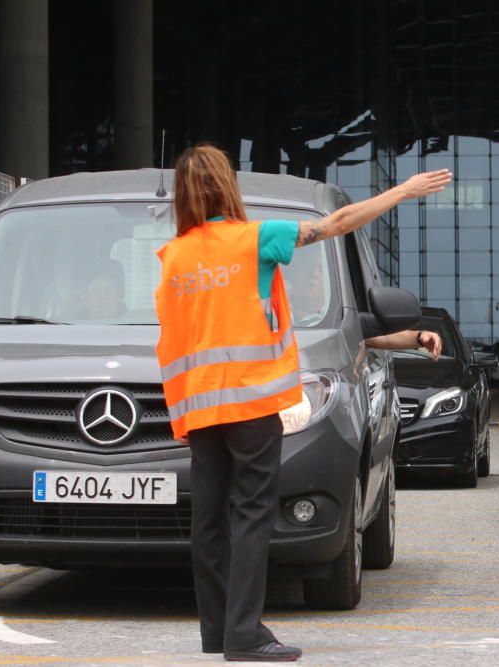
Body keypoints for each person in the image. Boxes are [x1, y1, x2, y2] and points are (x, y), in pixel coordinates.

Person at [153, 144, 450, 663]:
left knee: (210, 521)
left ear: (181, 194)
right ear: (227, 187)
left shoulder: (174, 257)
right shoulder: (254, 239)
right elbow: (335, 224)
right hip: (250, 404)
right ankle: (244, 634)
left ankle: (218, 629)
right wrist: (402, 191)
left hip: (199, 410)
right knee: (250, 516)